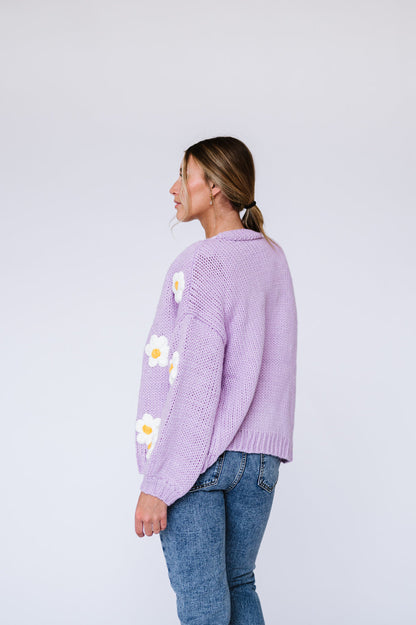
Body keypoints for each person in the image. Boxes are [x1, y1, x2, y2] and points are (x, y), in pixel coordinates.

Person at [134, 136, 298, 625]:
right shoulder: (272, 257)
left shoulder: (202, 262)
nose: (173, 188)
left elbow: (196, 382)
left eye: (183, 175)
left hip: (202, 458)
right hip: (262, 462)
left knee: (203, 607)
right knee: (240, 584)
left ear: (216, 187)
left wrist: (159, 482)